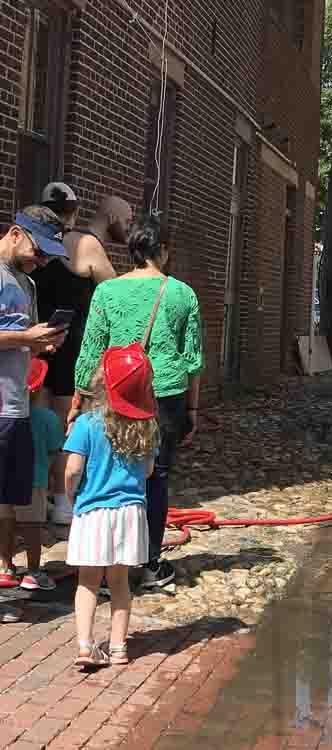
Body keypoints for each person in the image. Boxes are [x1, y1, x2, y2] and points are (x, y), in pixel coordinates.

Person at [70, 215, 203, 589]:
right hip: (165, 397)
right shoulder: (181, 294)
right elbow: (193, 360)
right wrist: (192, 410)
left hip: (114, 395)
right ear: (163, 250)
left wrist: (79, 400)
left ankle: (103, 555)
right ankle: (149, 562)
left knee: (110, 472)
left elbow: (90, 352)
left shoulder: (108, 292)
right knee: (156, 477)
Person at [34, 195, 130, 527]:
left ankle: (39, 498)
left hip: (37, 343)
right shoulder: (87, 244)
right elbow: (119, 296)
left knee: (41, 423)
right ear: (113, 216)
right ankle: (62, 499)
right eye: (127, 220)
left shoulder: (46, 245)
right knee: (66, 426)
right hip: (69, 346)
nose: (128, 227)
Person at [64, 347, 158, 667]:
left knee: (88, 581)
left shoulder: (87, 424)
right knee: (119, 583)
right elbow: (146, 472)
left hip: (93, 511)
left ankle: (86, 646)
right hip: (130, 513)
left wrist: (68, 495)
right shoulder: (147, 427)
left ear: (101, 384)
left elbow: (73, 470)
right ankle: (119, 648)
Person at [0, 206, 69, 617]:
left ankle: (7, 569)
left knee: (10, 497)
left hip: (17, 407)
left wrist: (39, 343)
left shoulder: (26, 282)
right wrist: (26, 336)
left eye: (46, 256)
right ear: (13, 233)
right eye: (36, 250)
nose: (40, 261)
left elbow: (22, 338)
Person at [18, 358, 63, 592]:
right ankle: (33, 571)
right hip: (34, 479)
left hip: (5, 477)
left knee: (5, 522)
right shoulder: (48, 418)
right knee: (32, 526)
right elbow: (55, 451)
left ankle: (5, 566)